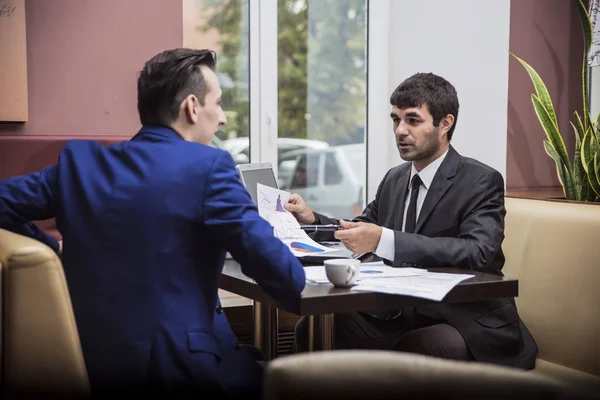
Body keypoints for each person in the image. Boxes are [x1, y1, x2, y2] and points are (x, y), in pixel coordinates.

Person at [0, 48, 306, 398]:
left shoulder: (78, 164)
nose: (221, 118)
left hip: (88, 364)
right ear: (192, 107)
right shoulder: (210, 167)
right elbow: (286, 279)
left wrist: (49, 249)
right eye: (218, 104)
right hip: (178, 372)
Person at [285, 73, 538, 369]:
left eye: (413, 120)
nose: (400, 131)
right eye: (396, 119)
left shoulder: (481, 181)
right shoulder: (395, 179)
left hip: (466, 321)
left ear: (445, 124)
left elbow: (477, 252)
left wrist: (385, 240)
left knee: (417, 347)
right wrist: (311, 218)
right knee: (312, 328)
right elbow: (360, 229)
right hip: (402, 315)